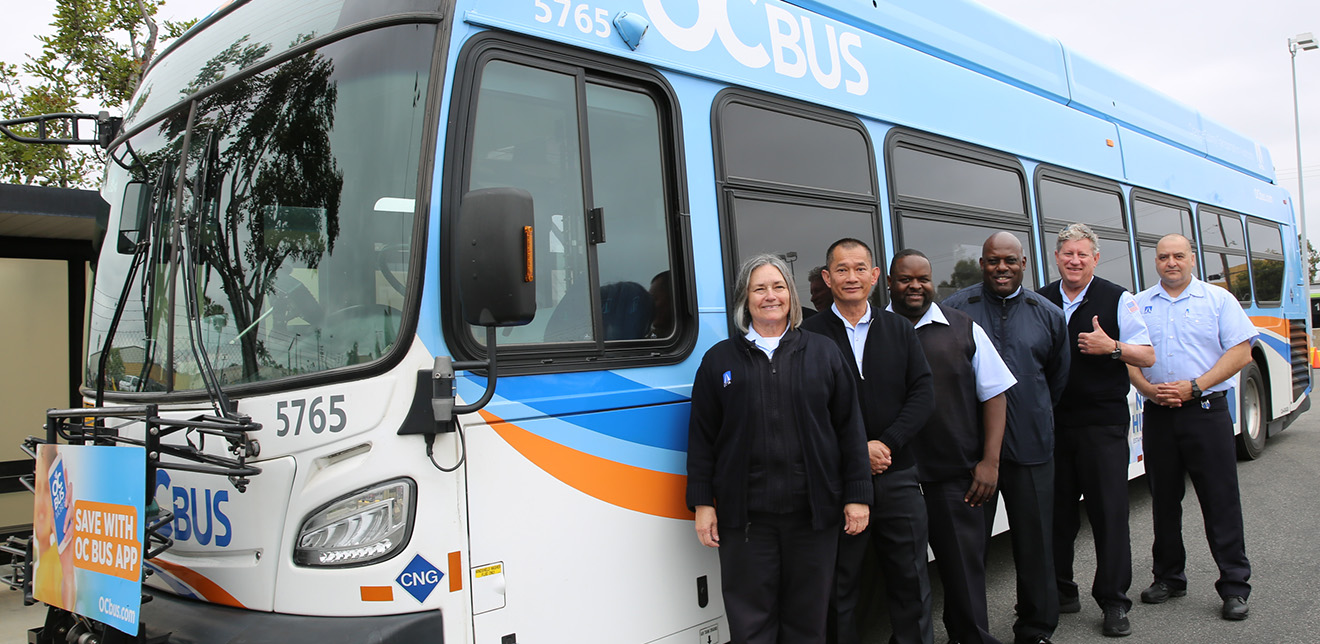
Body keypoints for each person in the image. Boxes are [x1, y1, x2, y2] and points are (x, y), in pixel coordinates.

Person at [687, 253, 873, 644]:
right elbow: (703, 437)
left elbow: (850, 430)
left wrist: (857, 496)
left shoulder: (823, 353)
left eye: (778, 286)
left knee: (807, 623)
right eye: (759, 289)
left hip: (813, 516)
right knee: (750, 626)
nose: (770, 296)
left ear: (791, 295)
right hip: (745, 521)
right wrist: (703, 503)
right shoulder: (719, 360)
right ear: (745, 298)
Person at [801, 239, 935, 644]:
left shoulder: (899, 328)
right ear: (828, 278)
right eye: (842, 269)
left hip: (898, 475)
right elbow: (806, 408)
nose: (852, 277)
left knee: (911, 580)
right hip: (839, 482)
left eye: (860, 268)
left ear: (875, 277)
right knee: (839, 586)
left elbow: (923, 393)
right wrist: (857, 450)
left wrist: (887, 444)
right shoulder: (808, 336)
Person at [943, 232, 1069, 644]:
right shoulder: (955, 310)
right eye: (993, 260)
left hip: (1032, 449)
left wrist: (1031, 414)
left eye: (1010, 261)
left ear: (1023, 264)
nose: (1002, 268)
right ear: (982, 264)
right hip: (971, 455)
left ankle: (1036, 628)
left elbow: (1057, 378)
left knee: (1036, 545)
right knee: (968, 550)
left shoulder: (1048, 314)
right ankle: (966, 632)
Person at [887, 249, 1015, 644]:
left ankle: (971, 636)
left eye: (923, 279)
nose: (915, 286)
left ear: (933, 282)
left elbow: (995, 394)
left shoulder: (963, 328)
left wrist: (990, 462)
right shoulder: (872, 330)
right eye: (905, 279)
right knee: (903, 574)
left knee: (964, 570)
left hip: (954, 476)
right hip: (895, 477)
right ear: (889, 283)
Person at [1128, 234, 1256, 621]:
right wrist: (1146, 388)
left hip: (1205, 411)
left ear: (1192, 259)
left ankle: (1234, 586)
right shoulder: (1139, 304)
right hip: (1159, 415)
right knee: (1164, 501)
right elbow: (1130, 355)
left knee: (1220, 501)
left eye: (1178, 256)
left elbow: (1241, 351)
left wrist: (1196, 386)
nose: (1171, 262)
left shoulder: (1217, 300)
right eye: (1164, 256)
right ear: (1155, 261)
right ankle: (1169, 578)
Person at [1038, 223, 1154, 637]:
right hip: (1054, 425)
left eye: (1082, 254)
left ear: (1095, 258)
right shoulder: (1040, 299)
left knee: (1109, 515)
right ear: (1056, 257)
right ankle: (1061, 592)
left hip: (1102, 425)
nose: (1075, 261)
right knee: (1056, 516)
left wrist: (1113, 348)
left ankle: (1113, 601)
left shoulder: (1118, 299)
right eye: (1068, 254)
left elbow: (1148, 355)